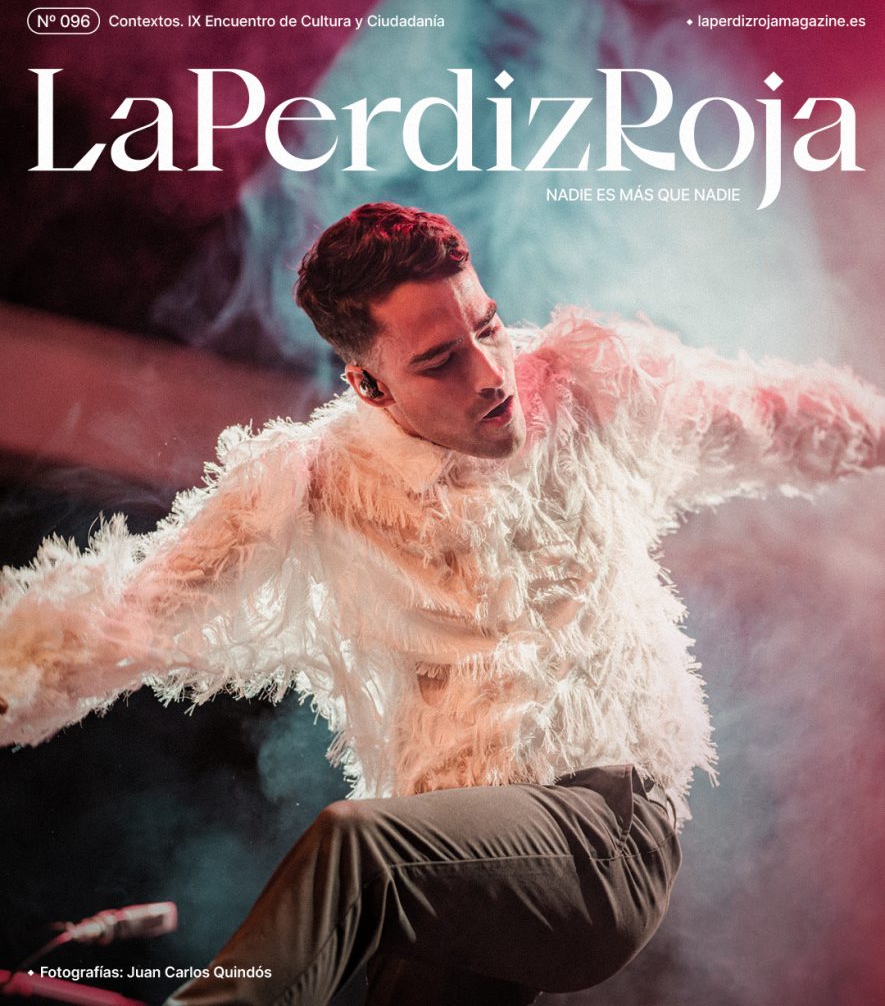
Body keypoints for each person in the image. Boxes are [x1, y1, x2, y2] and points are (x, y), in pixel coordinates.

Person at [1, 203, 883, 1005]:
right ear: (370, 386)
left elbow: (779, 416)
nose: (491, 373)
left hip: (602, 836)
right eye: (440, 362)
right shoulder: (310, 486)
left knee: (354, 850)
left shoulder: (591, 388)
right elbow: (122, 619)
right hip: (457, 882)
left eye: (486, 326)